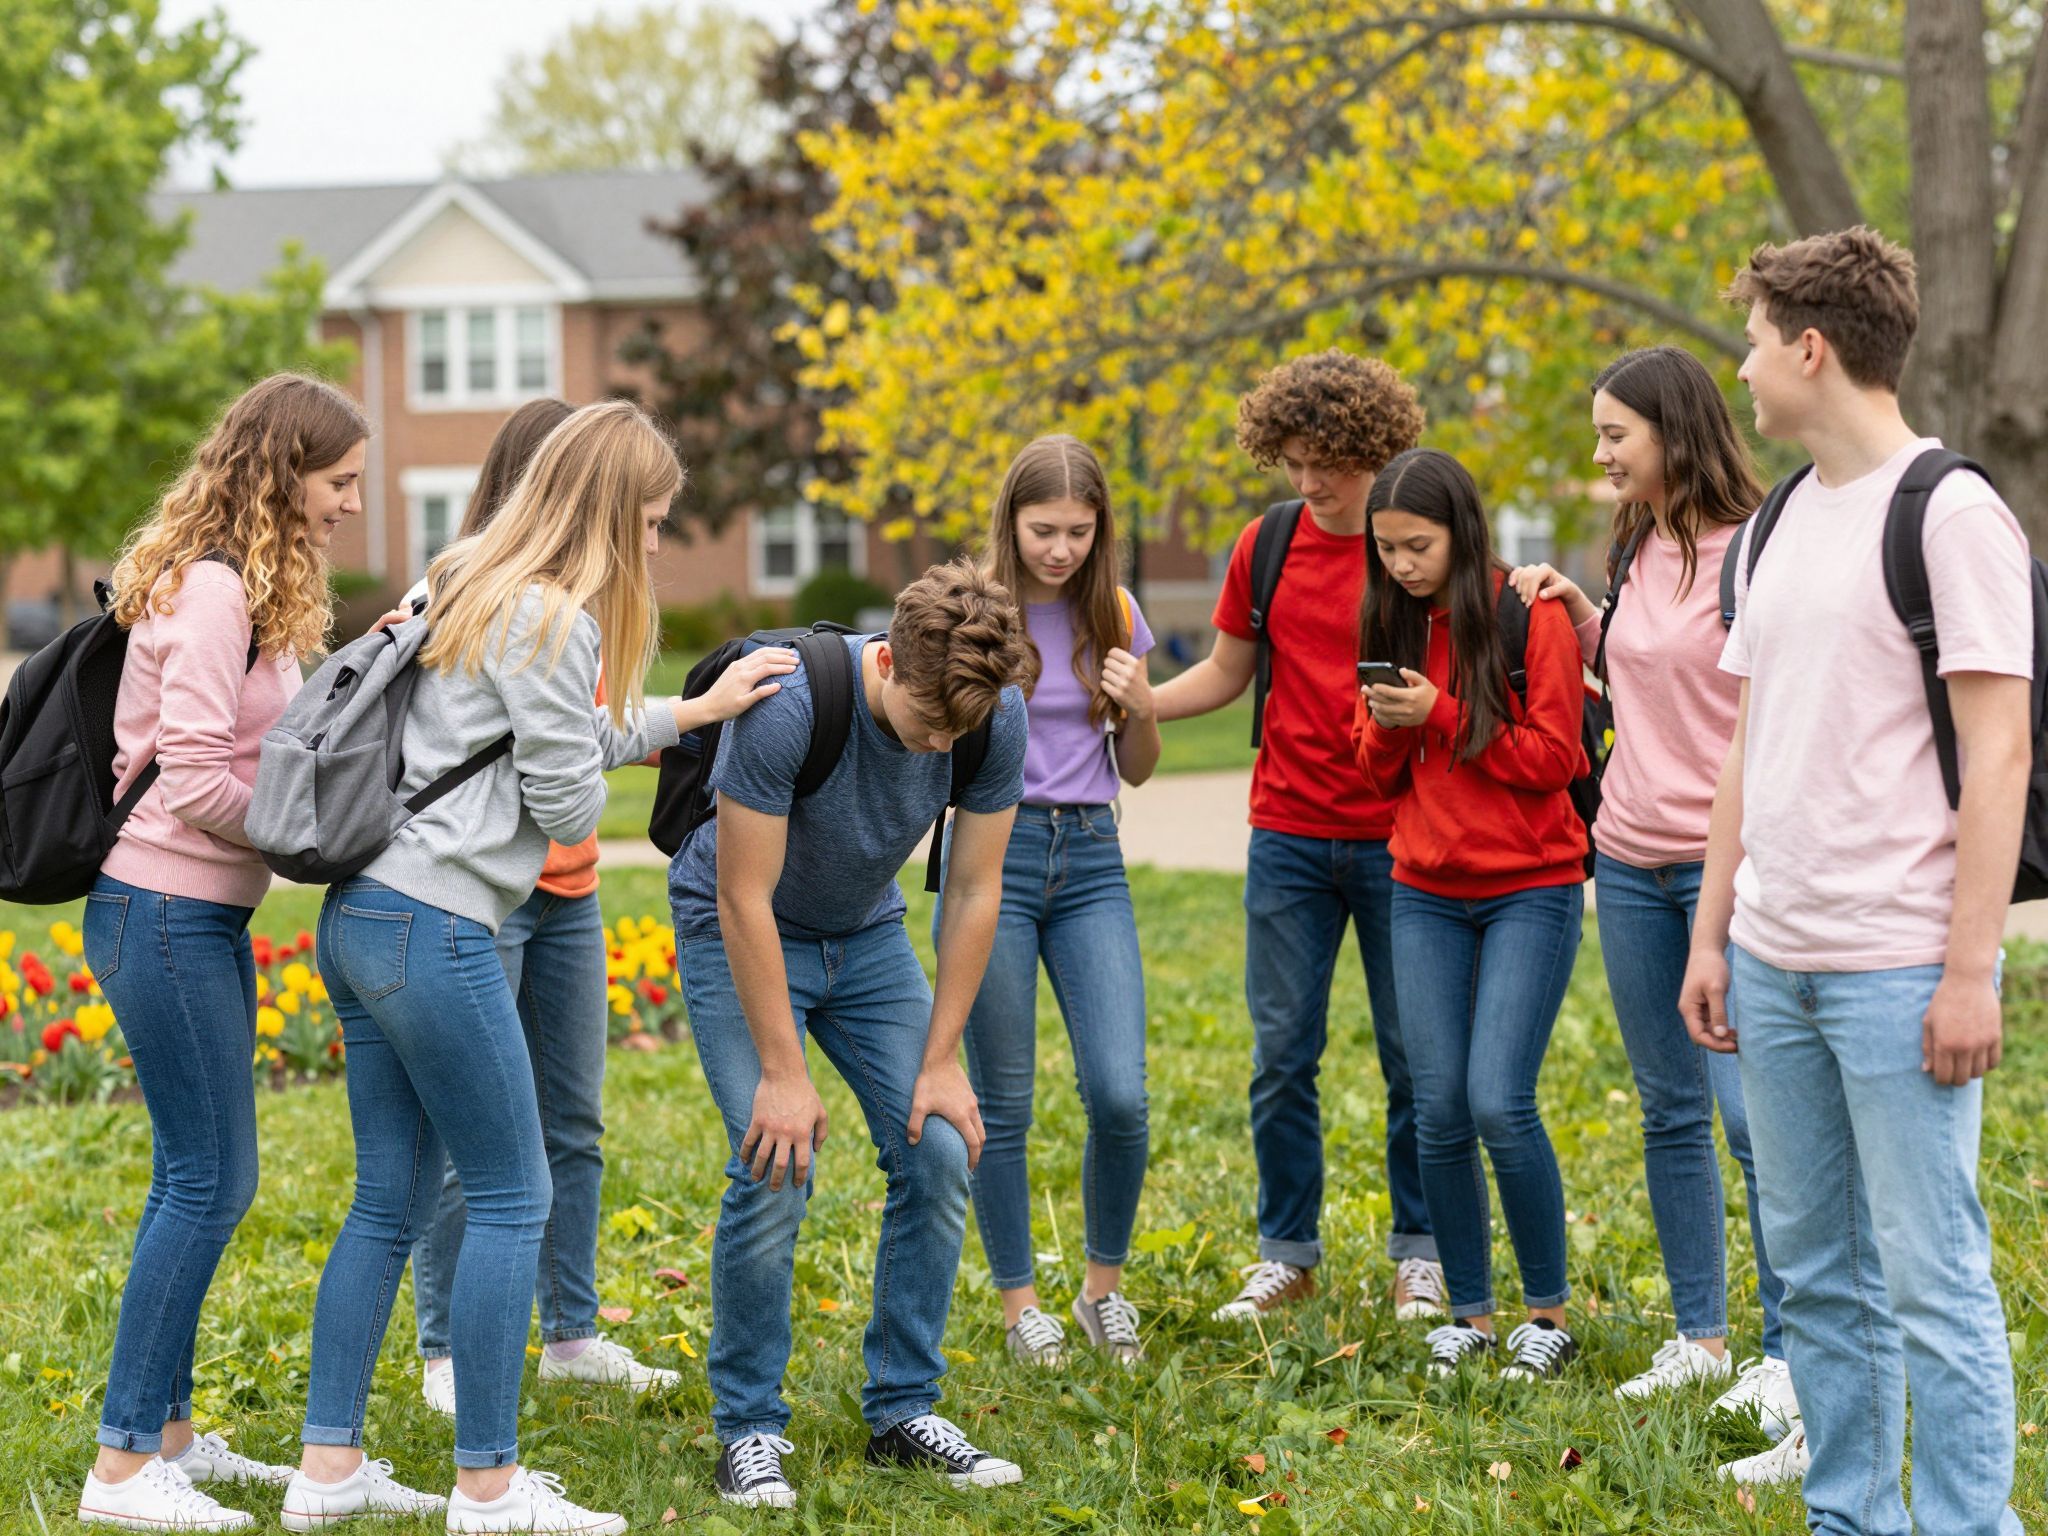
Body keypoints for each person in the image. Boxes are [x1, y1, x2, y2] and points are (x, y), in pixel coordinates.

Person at [283, 401, 795, 1535]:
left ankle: (327, 1472)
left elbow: (527, 730)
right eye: (653, 522)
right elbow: (561, 792)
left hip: (361, 912)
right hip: (442, 925)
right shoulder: (554, 620)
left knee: (385, 1200)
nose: (658, 545)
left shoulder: (462, 574)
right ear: (610, 513)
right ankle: (488, 1486)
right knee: (517, 1194)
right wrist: (585, 763)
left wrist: (683, 712)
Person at [1680, 228, 2031, 1529]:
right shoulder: (1772, 523)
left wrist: (1966, 972)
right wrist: (1715, 934)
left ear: (1811, 347)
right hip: (1773, 963)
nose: (1747, 366)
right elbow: (1747, 750)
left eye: (1757, 339)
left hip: (1897, 972)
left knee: (1933, 1278)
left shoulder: (1952, 514)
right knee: (1819, 1276)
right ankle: (1850, 1515)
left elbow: (1998, 757)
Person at [669, 559, 1036, 1509]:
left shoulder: (988, 713)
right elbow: (741, 894)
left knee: (944, 1146)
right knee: (774, 1154)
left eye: (961, 729)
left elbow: (974, 886)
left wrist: (944, 1058)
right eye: (928, 722)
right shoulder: (792, 705)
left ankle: (903, 1409)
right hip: (743, 929)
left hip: (865, 934)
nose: (941, 745)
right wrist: (784, 1076)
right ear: (887, 665)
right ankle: (749, 1426)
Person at [75, 376, 369, 1534]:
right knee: (210, 1182)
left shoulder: (238, 582)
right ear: (283, 470)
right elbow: (195, 774)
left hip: (195, 916)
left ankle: (170, 1439)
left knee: (193, 1176)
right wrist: (305, 831)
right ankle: (118, 1470)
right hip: (160, 907)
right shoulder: (207, 590)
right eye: (338, 480)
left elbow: (272, 742)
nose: (349, 502)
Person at [1506, 347, 1797, 1432]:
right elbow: (1641, 672)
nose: (1598, 454)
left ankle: (1786, 1343)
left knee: (1749, 1118)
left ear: (1671, 433)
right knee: (1668, 1107)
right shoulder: (1636, 544)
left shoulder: (1761, 550)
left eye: (1611, 435)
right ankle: (1698, 1336)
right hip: (1624, 858)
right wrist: (1582, 612)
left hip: (1730, 866)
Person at [1149, 350, 1441, 1323]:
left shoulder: (1415, 546)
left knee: (1415, 1054)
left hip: (1402, 837)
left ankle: (1421, 1252)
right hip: (1285, 832)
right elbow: (1226, 672)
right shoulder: (1264, 545)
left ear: (1375, 451)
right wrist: (1135, 703)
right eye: (1292, 461)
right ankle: (1287, 1253)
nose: (1309, 482)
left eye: (1328, 462)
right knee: (1281, 1053)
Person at [402, 399, 680, 1417]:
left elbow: (592, 728)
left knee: (572, 1120)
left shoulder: (593, 604)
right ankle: (443, 1350)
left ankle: (569, 1333)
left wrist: (686, 715)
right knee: (466, 1135)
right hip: (485, 895)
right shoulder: (474, 592)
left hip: (567, 894)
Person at [1353, 447, 1588, 1383]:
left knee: (1499, 1098)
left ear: (1461, 531)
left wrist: (1440, 715)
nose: (1402, 565)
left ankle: (1548, 1314)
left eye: (1418, 546)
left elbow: (1556, 758)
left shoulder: (1525, 615)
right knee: (1439, 1109)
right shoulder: (1392, 622)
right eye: (1387, 550)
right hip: (1424, 893)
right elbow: (1372, 774)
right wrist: (1386, 721)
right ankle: (1473, 1316)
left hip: (1531, 886)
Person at [945, 436, 1158, 1366]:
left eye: (1079, 530)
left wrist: (1141, 702)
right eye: (1044, 530)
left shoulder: (1112, 610)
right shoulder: (973, 612)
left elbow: (1138, 770)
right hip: (996, 855)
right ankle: (1019, 1303)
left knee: (1120, 1094)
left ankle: (1100, 1292)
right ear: (1012, 522)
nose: (1061, 549)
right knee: (1006, 1098)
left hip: (1093, 857)